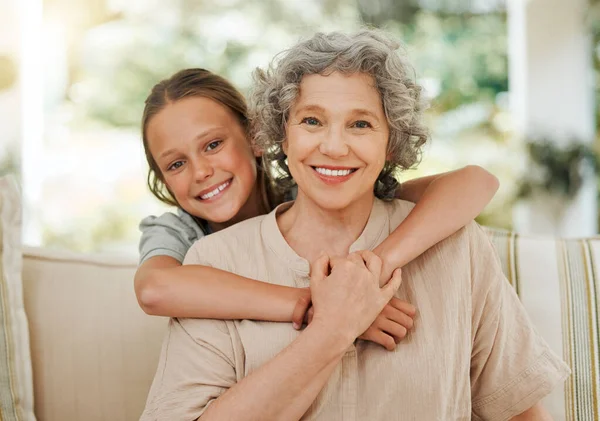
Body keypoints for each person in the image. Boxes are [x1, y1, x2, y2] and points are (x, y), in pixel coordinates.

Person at [140, 29, 570, 420]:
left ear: (391, 143)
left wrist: (367, 272)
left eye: (361, 124)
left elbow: (519, 411)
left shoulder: (449, 240)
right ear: (281, 137)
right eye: (311, 120)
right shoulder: (206, 259)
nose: (333, 146)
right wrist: (333, 319)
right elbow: (155, 288)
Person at [134, 67, 499, 347]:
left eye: (213, 145)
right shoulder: (177, 231)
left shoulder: (313, 191)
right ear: (163, 178)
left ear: (256, 136)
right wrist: (325, 308)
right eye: (176, 164)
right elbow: (154, 289)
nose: (201, 171)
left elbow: (476, 182)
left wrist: (369, 273)